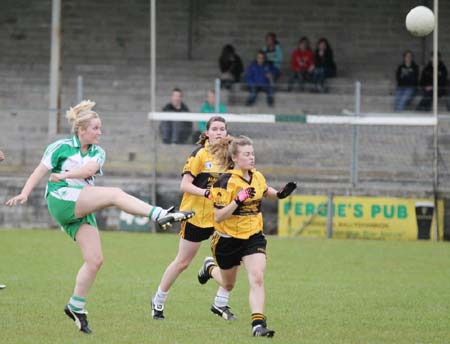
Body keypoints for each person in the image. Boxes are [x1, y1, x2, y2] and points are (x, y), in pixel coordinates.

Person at [5, 100, 194, 334]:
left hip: (81, 202)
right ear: (81, 129)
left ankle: (76, 306)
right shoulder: (60, 147)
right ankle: (159, 214)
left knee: (95, 260)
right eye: (95, 128)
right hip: (61, 200)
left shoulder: (98, 152)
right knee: (115, 194)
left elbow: (88, 171)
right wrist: (24, 193)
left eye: (100, 127)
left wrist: (64, 174)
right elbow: (39, 172)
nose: (100, 132)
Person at [197, 135, 296, 337]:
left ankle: (258, 325)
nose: (251, 158)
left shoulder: (257, 176)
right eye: (247, 154)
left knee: (257, 277)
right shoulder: (225, 182)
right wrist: (237, 201)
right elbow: (218, 216)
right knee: (228, 284)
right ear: (234, 157)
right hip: (227, 240)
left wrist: (279, 194)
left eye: (252, 154)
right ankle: (209, 268)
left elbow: (264, 190)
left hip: (253, 237)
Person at [151, 116, 236, 321]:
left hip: (221, 217)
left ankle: (220, 303)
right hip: (196, 216)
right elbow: (185, 185)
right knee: (182, 263)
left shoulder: (230, 157)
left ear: (226, 133)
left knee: (233, 260)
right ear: (207, 133)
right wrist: (206, 193)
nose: (218, 132)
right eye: (214, 129)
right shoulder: (199, 154)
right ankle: (158, 300)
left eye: (222, 129)